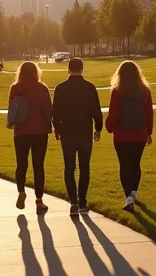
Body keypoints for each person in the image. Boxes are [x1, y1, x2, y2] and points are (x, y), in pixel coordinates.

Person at [52, 58, 103, 217]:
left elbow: (55, 112)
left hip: (67, 132)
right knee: (84, 167)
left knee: (69, 167)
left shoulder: (60, 88)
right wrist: (98, 128)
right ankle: (82, 201)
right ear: (82, 69)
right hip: (84, 132)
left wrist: (58, 129)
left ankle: (73, 201)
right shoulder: (89, 88)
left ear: (68, 69)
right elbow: (96, 110)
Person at [105, 60, 154, 212]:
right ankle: (133, 193)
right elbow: (149, 113)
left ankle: (128, 197)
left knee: (124, 165)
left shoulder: (117, 91)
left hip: (122, 136)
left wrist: (109, 127)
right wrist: (149, 132)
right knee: (135, 164)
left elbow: (114, 112)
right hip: (139, 134)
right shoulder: (145, 90)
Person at [8, 61, 53, 214]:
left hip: (21, 132)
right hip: (39, 132)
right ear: (36, 72)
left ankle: (21, 191)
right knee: (38, 166)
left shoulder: (15, 88)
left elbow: (12, 109)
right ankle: (39, 201)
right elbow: (48, 110)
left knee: (21, 165)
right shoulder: (42, 88)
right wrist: (50, 126)